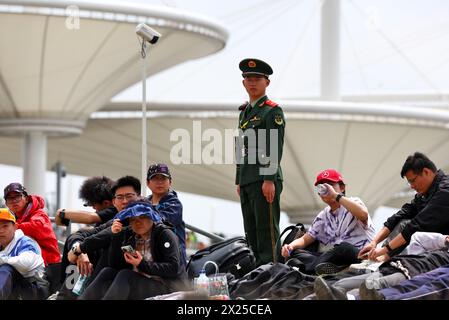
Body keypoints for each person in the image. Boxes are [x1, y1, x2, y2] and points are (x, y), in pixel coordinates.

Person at [79, 200, 188, 300]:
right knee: (107, 272)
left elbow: (173, 268)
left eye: (143, 217)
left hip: (166, 285)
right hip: (139, 281)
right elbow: (114, 265)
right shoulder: (129, 234)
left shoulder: (164, 234)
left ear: (152, 217)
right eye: (133, 219)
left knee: (125, 275)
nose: (138, 222)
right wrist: (116, 236)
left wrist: (142, 264)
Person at [235, 58, 286, 266]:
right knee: (251, 230)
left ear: (267, 82)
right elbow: (240, 147)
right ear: (243, 83)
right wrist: (239, 179)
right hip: (247, 179)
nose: (252, 82)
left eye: (257, 78)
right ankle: (257, 273)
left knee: (267, 230)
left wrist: (269, 179)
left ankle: (273, 273)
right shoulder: (245, 112)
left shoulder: (272, 111)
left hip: (265, 178)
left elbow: (275, 146)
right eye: (248, 78)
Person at [281, 169, 375, 275]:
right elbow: (306, 238)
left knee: (344, 248)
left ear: (342, 187)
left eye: (330, 185)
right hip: (334, 256)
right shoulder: (324, 215)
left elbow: (363, 214)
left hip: (359, 254)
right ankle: (322, 267)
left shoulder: (354, 202)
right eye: (321, 187)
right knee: (297, 253)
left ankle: (308, 269)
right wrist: (290, 247)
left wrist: (336, 195)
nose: (326, 189)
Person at [359, 152, 449, 261]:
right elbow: (400, 215)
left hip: (444, 252)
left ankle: (383, 260)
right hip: (432, 247)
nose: (411, 186)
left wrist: (383, 251)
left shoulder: (445, 190)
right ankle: (382, 260)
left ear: (426, 172)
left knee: (408, 227)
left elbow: (417, 226)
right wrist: (374, 242)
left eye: (413, 180)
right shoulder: (424, 194)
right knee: (403, 222)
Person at [3, 183, 60, 266]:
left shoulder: (39, 214)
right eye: (10, 199)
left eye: (17, 196)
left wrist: (10, 228)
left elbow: (36, 227)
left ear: (26, 199)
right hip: (26, 262)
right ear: (7, 204)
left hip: (48, 264)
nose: (14, 201)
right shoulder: (12, 218)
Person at [0, 208, 49, 299]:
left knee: (6, 268)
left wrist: (2, 259)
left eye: (5, 226)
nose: (0, 231)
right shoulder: (2, 244)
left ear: (15, 227)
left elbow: (24, 264)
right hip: (15, 289)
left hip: (34, 289)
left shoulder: (26, 243)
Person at [146, 163, 186, 266]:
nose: (159, 182)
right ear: (148, 183)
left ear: (170, 182)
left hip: (172, 263)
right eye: (155, 178)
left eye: (163, 178)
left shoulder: (175, 204)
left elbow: (159, 221)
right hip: (150, 259)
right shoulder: (144, 203)